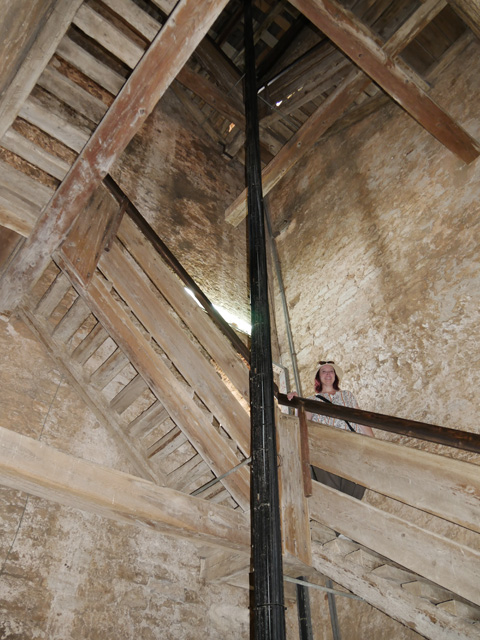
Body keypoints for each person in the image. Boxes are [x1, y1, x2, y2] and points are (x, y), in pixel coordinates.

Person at [288, 360, 373, 500]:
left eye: (331, 371)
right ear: (318, 377)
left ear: (335, 376)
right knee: (331, 490)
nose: (328, 374)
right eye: (324, 371)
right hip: (326, 447)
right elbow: (302, 424)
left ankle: (347, 513)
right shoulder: (310, 401)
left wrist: (373, 444)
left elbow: (361, 421)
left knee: (356, 484)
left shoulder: (348, 396)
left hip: (352, 445)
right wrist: (296, 403)